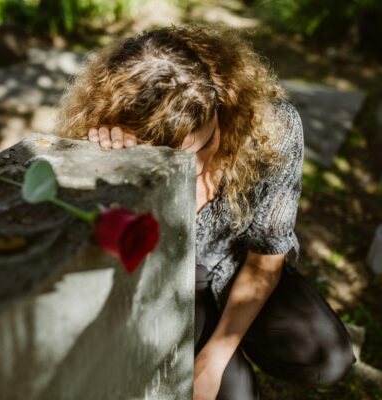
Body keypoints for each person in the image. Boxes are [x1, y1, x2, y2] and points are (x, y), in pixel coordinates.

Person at [53, 23, 356, 400]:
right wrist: (113, 167)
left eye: (207, 142)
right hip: (176, 278)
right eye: (174, 160)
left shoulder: (274, 129)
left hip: (240, 262)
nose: (196, 168)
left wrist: (215, 357)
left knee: (327, 360)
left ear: (222, 103)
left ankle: (236, 346)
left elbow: (265, 260)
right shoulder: (117, 142)